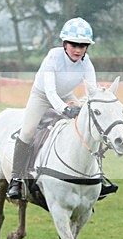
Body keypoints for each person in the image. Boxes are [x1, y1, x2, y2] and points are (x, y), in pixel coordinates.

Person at [7, 17, 113, 200]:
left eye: (83, 45)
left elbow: (92, 91)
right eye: (74, 45)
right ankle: (16, 179)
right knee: (28, 132)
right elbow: (50, 91)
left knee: (88, 128)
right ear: (64, 44)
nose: (78, 50)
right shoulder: (53, 57)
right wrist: (64, 109)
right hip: (42, 96)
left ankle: (97, 177)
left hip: (66, 96)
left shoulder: (87, 63)